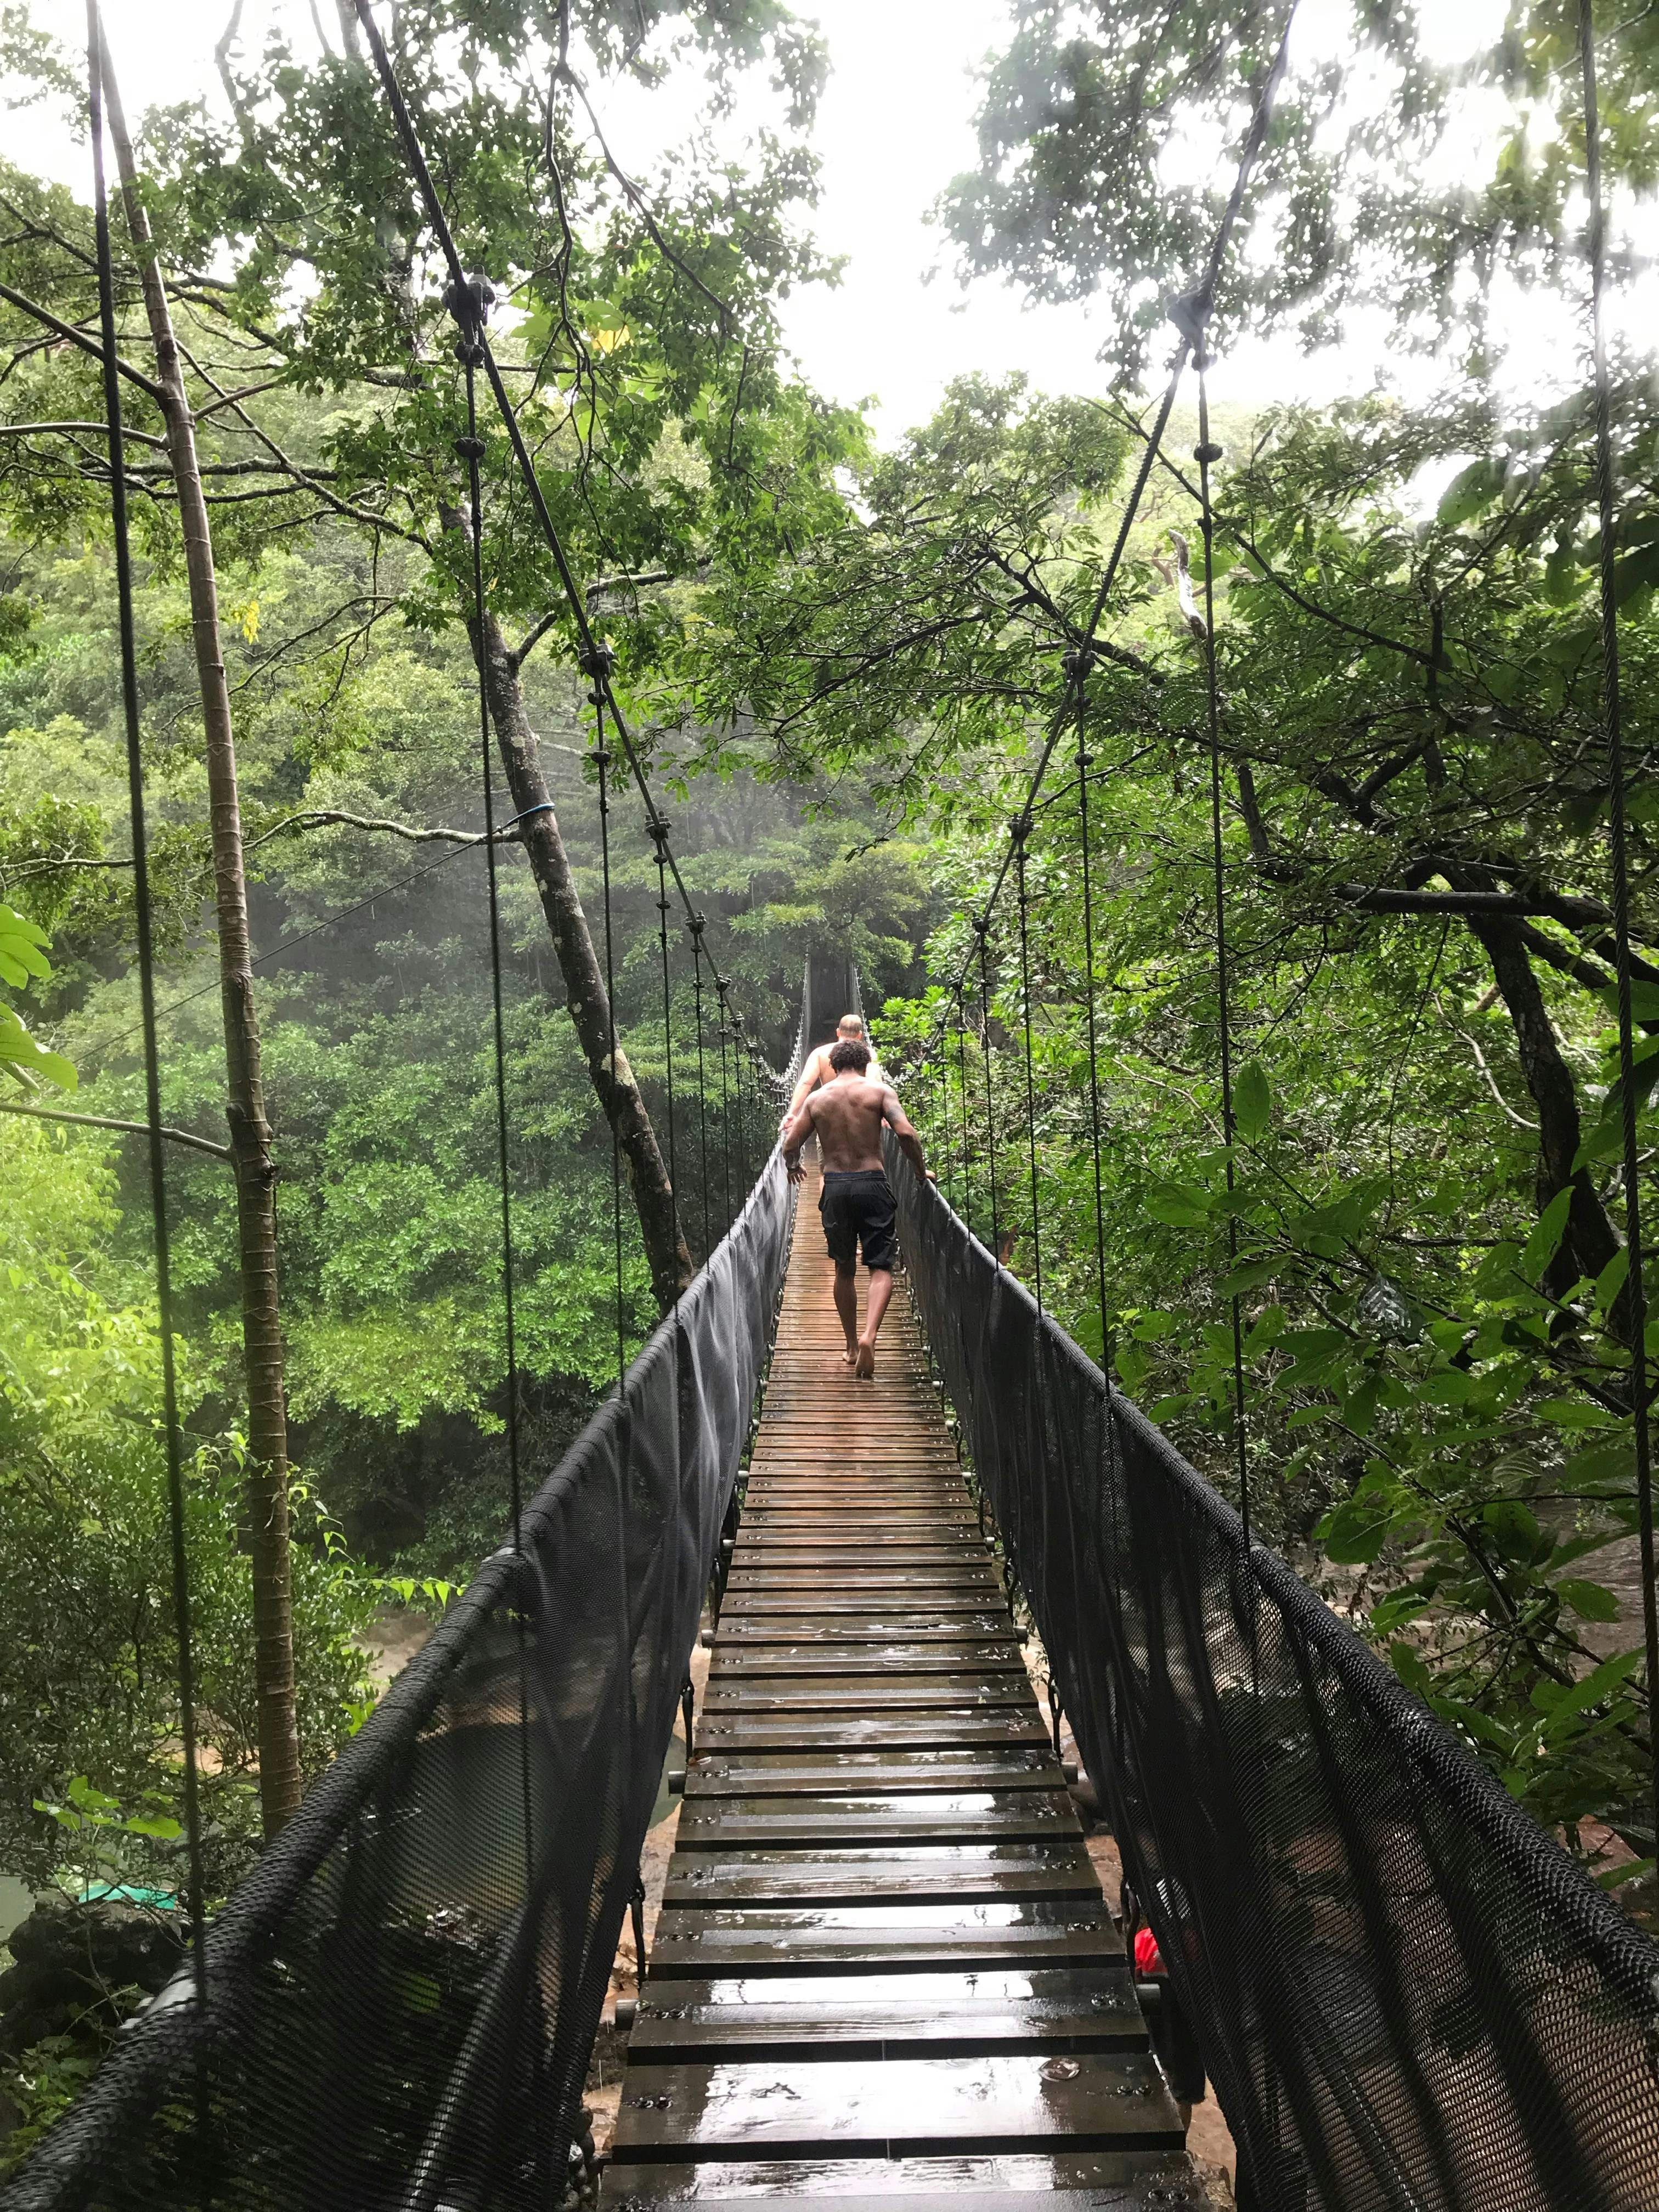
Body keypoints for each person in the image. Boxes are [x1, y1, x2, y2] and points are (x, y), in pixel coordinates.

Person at [780, 1038, 927, 1379]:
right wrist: (920, 1172)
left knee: (843, 1269)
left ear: (833, 1067)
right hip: (873, 1183)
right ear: (864, 1065)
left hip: (836, 1189)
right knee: (881, 1267)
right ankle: (870, 1336)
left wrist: (792, 1166)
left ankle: (850, 1346)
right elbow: (907, 1135)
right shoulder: (880, 1092)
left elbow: (790, 1144)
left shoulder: (817, 1099)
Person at [780, 1011, 883, 1128]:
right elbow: (875, 1083)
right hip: (860, 1121)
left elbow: (805, 1083)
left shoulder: (820, 1053)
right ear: (860, 1035)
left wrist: (792, 1114)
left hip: (829, 1119)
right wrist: (883, 1112)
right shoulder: (870, 1053)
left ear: (838, 1032)